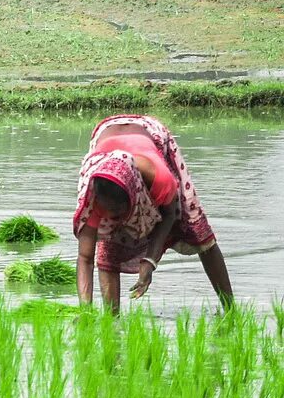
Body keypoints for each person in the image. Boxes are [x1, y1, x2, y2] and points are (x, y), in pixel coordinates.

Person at [73, 115, 231, 313]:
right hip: (106, 139)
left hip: (149, 133)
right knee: (107, 246)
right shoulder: (93, 194)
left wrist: (150, 260)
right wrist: (85, 311)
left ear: (135, 194)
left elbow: (170, 213)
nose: (112, 217)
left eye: (118, 211)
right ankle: (111, 322)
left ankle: (231, 309)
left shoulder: (160, 179)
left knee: (196, 228)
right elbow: (84, 257)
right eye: (107, 211)